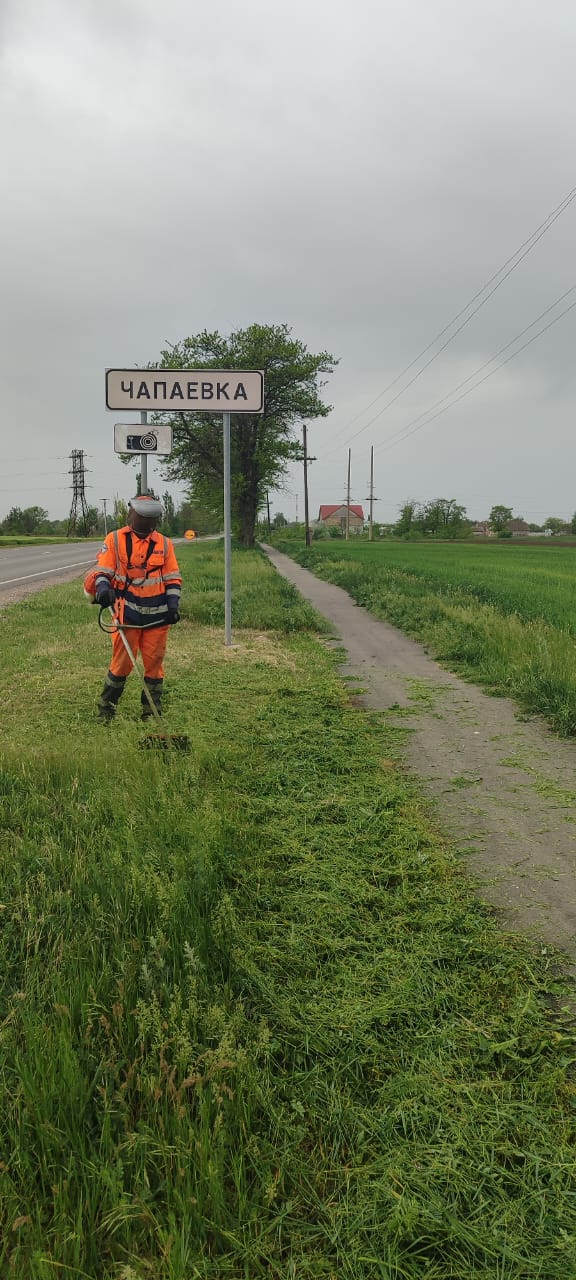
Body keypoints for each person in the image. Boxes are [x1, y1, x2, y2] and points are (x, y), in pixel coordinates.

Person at [86, 495, 182, 721]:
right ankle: (106, 710)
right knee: (121, 664)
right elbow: (103, 571)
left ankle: (151, 712)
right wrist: (103, 588)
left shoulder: (165, 544)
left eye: (150, 519)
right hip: (126, 614)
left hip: (158, 618)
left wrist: (173, 604)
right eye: (141, 517)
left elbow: (173, 579)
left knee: (154, 664)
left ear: (155, 521)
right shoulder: (115, 539)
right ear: (131, 514)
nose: (145, 522)